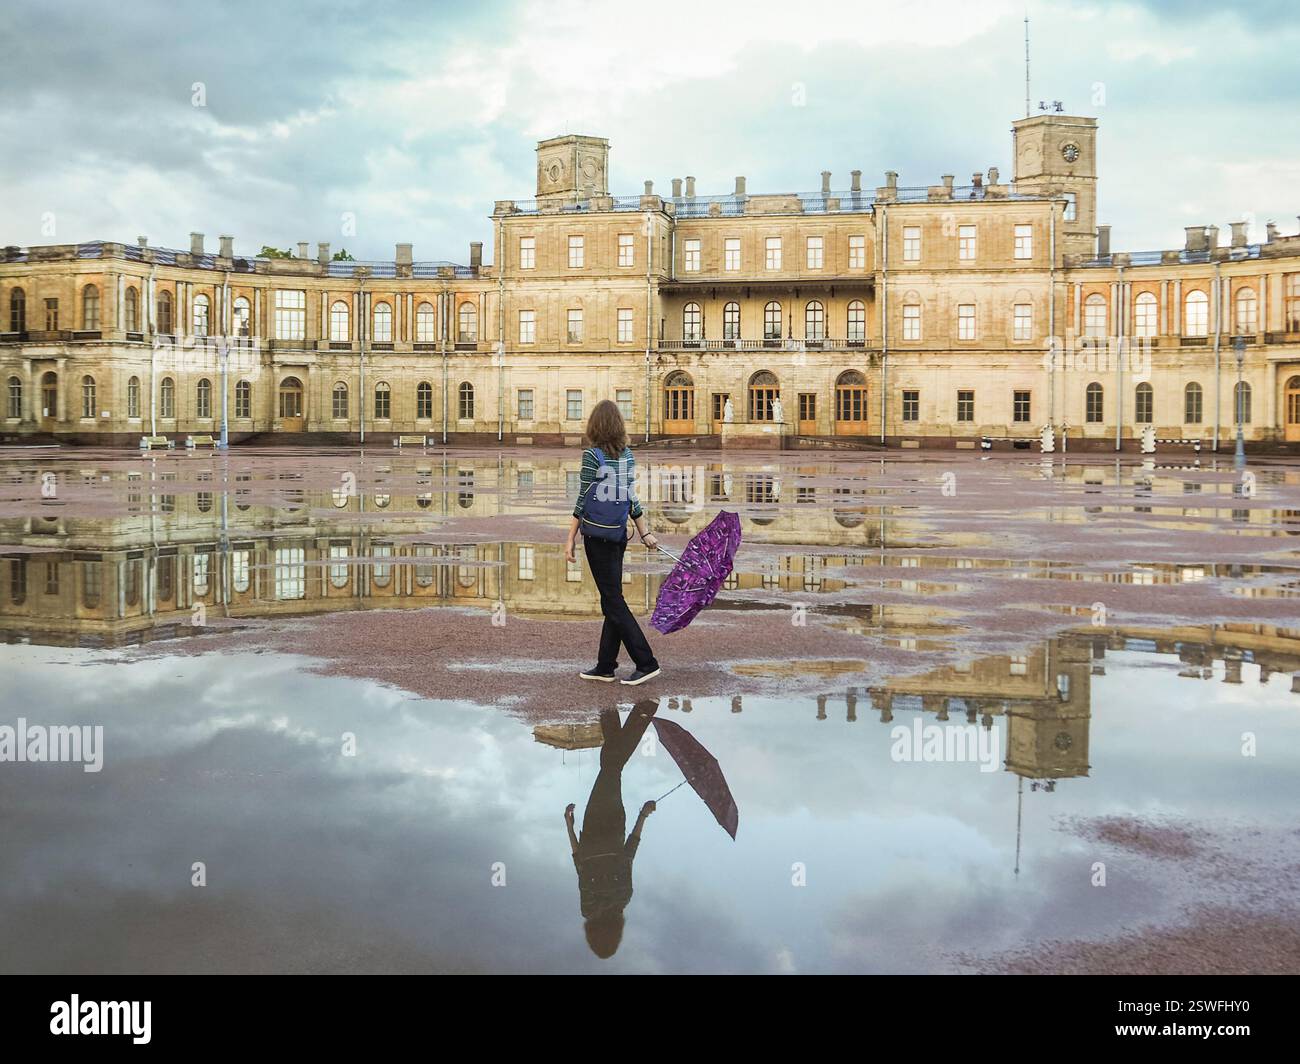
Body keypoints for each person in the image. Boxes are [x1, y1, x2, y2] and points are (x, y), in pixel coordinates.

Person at [564, 398, 661, 686]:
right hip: (618, 534)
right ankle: (606, 665)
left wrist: (569, 538)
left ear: (594, 426)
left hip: (596, 534)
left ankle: (646, 662)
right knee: (612, 598)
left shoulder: (592, 456)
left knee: (613, 601)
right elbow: (631, 497)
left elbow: (582, 499)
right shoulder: (628, 456)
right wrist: (644, 532)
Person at [564, 700, 658, 959]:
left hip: (613, 823)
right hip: (594, 825)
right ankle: (635, 711)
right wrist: (568, 826)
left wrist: (643, 814)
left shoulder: (623, 897)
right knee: (611, 768)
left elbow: (630, 852)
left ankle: (623, 710)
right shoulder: (588, 907)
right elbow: (579, 862)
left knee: (611, 767)